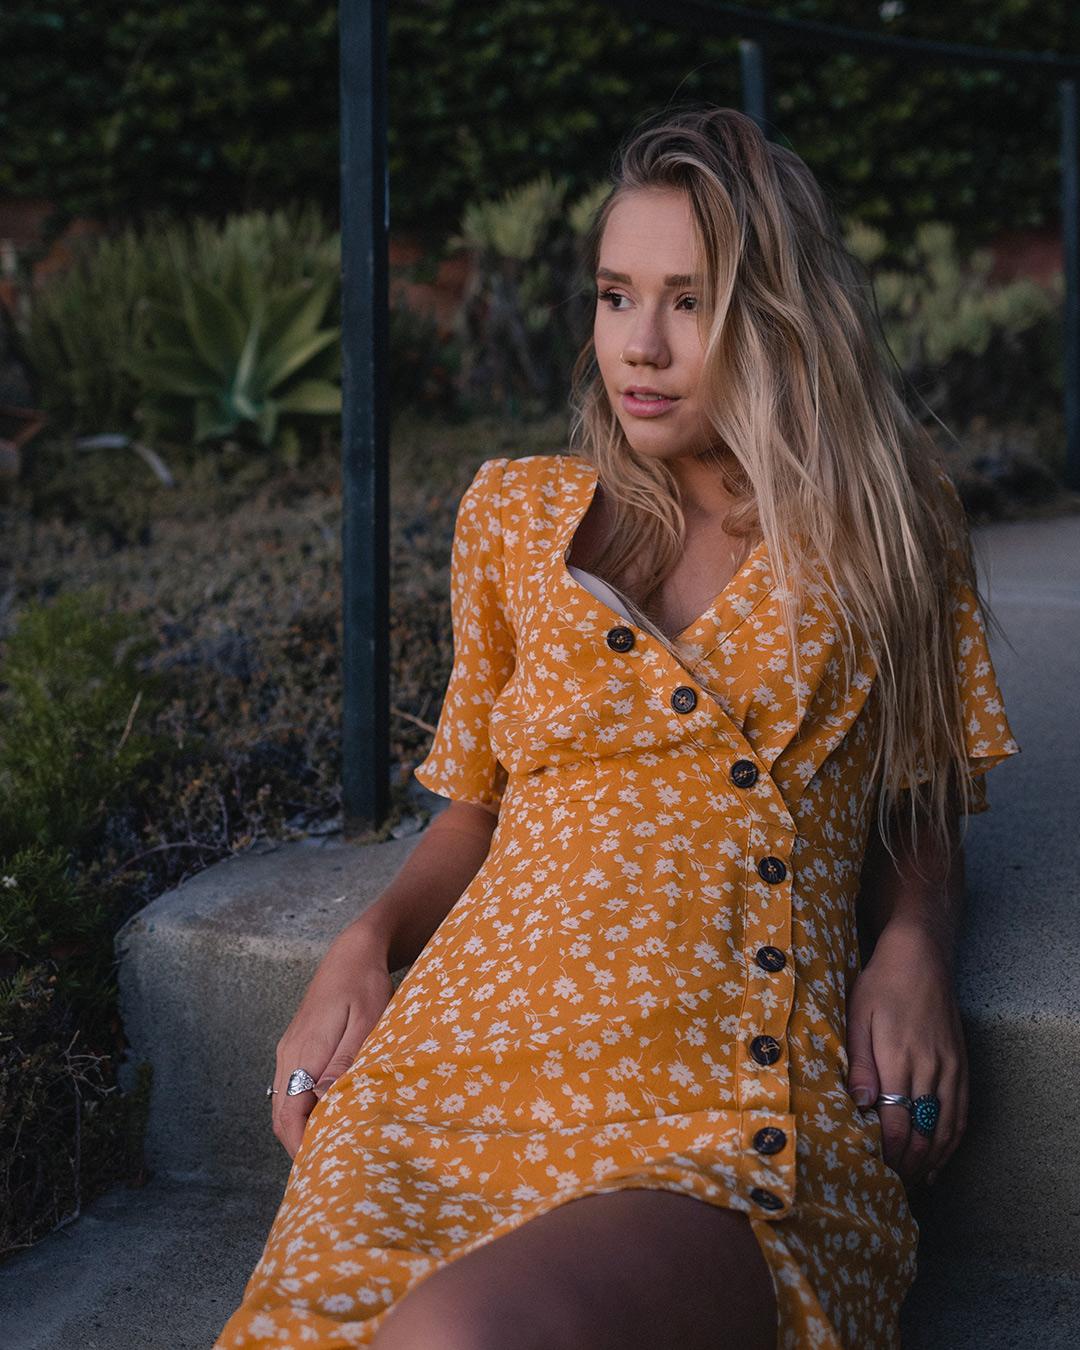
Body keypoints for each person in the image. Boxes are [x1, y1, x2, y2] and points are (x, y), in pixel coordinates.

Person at [215, 105, 1022, 1350]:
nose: (638, 346)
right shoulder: (515, 517)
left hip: (715, 1097)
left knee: (462, 1337)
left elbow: (910, 796)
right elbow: (477, 805)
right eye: (614, 294)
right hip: (454, 1069)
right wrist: (363, 943)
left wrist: (913, 941)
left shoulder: (888, 533)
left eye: (691, 303)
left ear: (777, 320)